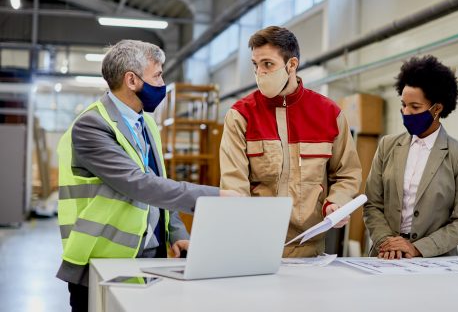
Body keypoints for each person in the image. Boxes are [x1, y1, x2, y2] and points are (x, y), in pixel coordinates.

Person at [56, 40, 239, 311]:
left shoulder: (146, 122)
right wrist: (213, 197)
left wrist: (176, 232)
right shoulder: (91, 126)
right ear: (132, 80)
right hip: (101, 262)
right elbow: (140, 184)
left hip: (150, 259)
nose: (162, 81)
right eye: (158, 75)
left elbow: (159, 178)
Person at [220, 26, 362, 257]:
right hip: (255, 247)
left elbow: (347, 173)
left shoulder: (328, 114)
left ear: (292, 65)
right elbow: (234, 185)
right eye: (256, 65)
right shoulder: (240, 115)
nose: (260, 73)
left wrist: (336, 202)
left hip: (309, 249)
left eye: (268, 64)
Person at [363, 55, 458, 259]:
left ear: (437, 109)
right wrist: (387, 243)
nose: (406, 112)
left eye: (415, 107)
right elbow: (372, 204)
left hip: (435, 260)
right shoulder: (387, 146)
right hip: (386, 256)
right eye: (403, 104)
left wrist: (418, 248)